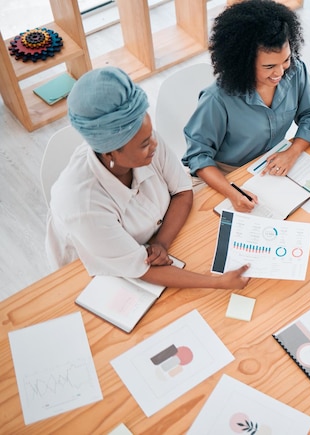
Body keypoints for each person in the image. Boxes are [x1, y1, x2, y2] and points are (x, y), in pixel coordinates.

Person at [45, 66, 250, 290]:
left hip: (154, 245)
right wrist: (218, 282)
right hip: (95, 270)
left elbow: (182, 192)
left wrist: (161, 243)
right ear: (110, 152)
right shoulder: (82, 205)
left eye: (150, 135)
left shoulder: (143, 138)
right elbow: (141, 268)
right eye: (144, 144)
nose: (154, 144)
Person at [182, 0, 310, 212]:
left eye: (285, 60)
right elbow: (198, 156)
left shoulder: (295, 70)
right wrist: (232, 191)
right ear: (243, 62)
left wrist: (293, 151)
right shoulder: (218, 99)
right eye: (269, 66)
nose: (280, 73)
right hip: (224, 177)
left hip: (269, 167)